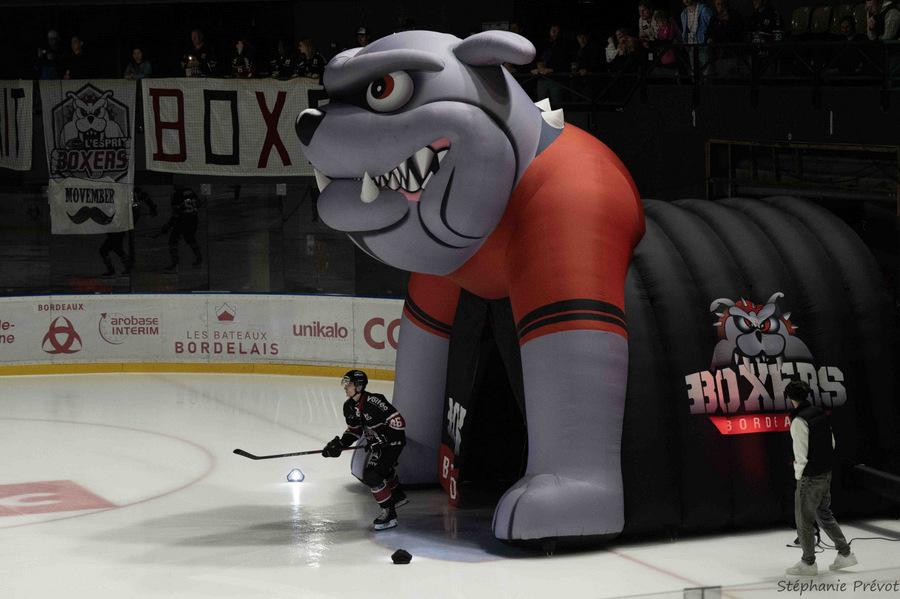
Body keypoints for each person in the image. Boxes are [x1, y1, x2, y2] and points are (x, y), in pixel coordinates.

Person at [785, 380, 858, 576]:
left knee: (804, 521)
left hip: (810, 477)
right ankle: (845, 553)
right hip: (825, 473)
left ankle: (808, 563)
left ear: (790, 398)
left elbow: (801, 454)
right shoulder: (819, 412)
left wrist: (799, 477)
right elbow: (831, 442)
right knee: (824, 515)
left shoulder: (799, 420)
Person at [322, 370, 408, 531]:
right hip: (378, 444)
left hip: (393, 443)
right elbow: (355, 431)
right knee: (380, 470)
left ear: (359, 386)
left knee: (372, 475)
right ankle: (397, 495)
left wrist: (384, 439)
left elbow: (399, 422)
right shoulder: (348, 406)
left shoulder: (374, 401)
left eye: (349, 384)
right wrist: (340, 444)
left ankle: (389, 515)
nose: (345, 387)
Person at [99, 187, 157, 277]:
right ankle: (122, 269)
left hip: (121, 224)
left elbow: (142, 197)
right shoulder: (120, 194)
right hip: (119, 224)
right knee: (113, 248)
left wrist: (152, 207)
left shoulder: (126, 193)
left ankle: (119, 269)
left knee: (110, 248)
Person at [156, 185, 202, 273]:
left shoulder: (177, 195)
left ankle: (175, 263)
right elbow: (198, 203)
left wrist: (167, 226)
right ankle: (199, 257)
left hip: (183, 220)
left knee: (173, 241)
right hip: (193, 219)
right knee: (190, 239)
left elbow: (176, 214)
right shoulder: (189, 190)